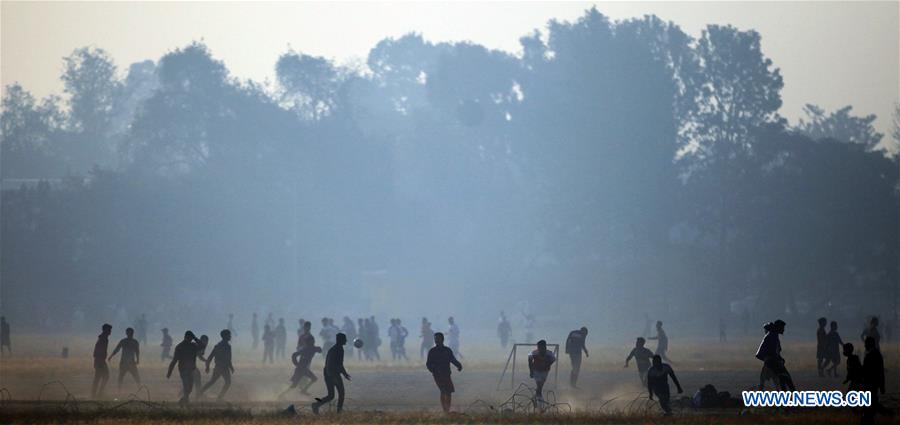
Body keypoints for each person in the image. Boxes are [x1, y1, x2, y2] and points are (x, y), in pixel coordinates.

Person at [311, 333, 351, 414]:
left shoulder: (335, 348)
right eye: (344, 339)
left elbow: (338, 364)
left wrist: (344, 374)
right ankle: (339, 413)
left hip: (328, 373)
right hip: (332, 373)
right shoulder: (338, 349)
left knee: (331, 395)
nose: (346, 341)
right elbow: (334, 364)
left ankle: (316, 405)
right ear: (340, 340)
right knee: (341, 393)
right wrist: (336, 375)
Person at [282, 321, 321, 397]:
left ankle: (302, 390)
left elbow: (318, 349)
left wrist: (297, 364)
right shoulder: (306, 343)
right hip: (302, 364)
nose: (312, 342)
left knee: (300, 381)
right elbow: (296, 352)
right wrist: (297, 364)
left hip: (302, 364)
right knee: (298, 383)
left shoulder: (309, 343)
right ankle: (302, 390)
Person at [426, 332, 463, 413]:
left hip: (446, 374)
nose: (436, 340)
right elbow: (428, 364)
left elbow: (452, 360)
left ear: (442, 339)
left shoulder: (447, 350)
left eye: (438, 338)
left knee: (448, 391)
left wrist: (459, 365)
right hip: (437, 375)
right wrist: (434, 370)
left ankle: (447, 410)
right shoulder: (432, 351)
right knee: (443, 390)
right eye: (435, 339)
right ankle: (445, 410)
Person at [754, 320, 795, 391]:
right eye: (782, 327)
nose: (783, 329)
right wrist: (779, 360)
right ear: (778, 328)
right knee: (786, 378)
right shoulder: (773, 336)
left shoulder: (772, 335)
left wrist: (780, 359)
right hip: (772, 362)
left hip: (771, 362)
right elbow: (773, 352)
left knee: (781, 379)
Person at [167, 331, 201, 406]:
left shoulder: (193, 346)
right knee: (186, 386)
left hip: (191, 369)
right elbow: (175, 360)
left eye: (191, 338)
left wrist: (195, 338)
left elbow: (202, 346)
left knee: (189, 388)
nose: (190, 339)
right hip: (183, 369)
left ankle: (182, 401)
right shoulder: (180, 347)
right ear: (186, 337)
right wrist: (169, 371)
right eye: (189, 337)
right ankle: (185, 403)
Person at [200, 329, 234, 402]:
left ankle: (200, 392)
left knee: (212, 381)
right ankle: (219, 398)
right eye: (229, 335)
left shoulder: (218, 345)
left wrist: (207, 367)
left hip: (218, 367)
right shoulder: (227, 346)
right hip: (224, 367)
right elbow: (228, 358)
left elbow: (210, 357)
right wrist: (231, 367)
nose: (230, 336)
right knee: (228, 382)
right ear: (225, 336)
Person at [861, 336, 885, 425]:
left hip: (870, 384)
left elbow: (879, 371)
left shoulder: (872, 355)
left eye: (866, 343)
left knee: (869, 406)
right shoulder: (876, 354)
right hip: (872, 384)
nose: (864, 345)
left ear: (869, 344)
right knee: (871, 404)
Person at [109, 327, 141, 391]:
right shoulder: (132, 341)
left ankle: (139, 389)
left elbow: (137, 351)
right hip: (126, 362)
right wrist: (111, 356)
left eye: (130, 332)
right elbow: (117, 349)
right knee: (123, 377)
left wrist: (111, 356)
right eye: (129, 332)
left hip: (128, 362)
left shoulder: (125, 341)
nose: (129, 334)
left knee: (133, 377)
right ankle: (119, 390)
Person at [92, 323, 113, 399]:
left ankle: (95, 393)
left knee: (99, 377)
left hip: (99, 360)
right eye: (109, 330)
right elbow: (98, 349)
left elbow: (96, 349)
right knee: (104, 376)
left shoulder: (103, 337)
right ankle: (98, 393)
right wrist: (98, 360)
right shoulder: (103, 338)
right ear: (105, 330)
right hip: (100, 360)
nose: (110, 331)